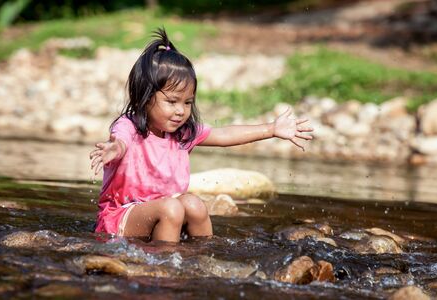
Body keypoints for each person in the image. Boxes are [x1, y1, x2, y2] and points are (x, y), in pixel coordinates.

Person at [89, 28, 313, 243]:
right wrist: (115, 148)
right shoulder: (129, 126)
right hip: (120, 218)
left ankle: (201, 257)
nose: (181, 110)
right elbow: (121, 141)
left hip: (166, 213)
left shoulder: (182, 133)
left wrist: (271, 129)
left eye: (187, 103)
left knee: (194, 204)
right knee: (172, 207)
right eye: (172, 101)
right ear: (144, 97)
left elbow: (223, 135)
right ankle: (163, 264)